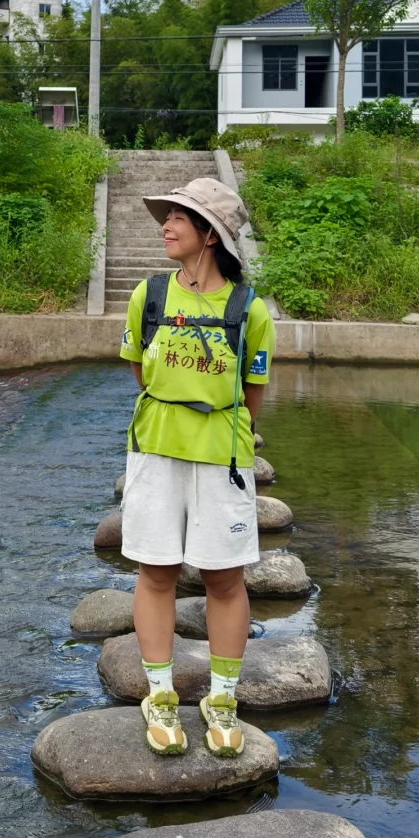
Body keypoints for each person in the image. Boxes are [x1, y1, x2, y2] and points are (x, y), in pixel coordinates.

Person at [118, 176, 275, 760]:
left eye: (178, 217)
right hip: (156, 449)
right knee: (156, 571)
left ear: (210, 234)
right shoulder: (150, 296)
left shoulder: (249, 310)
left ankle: (222, 699)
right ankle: (159, 695)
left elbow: (251, 394)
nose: (166, 225)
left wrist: (217, 423)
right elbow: (141, 373)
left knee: (225, 579)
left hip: (222, 458)